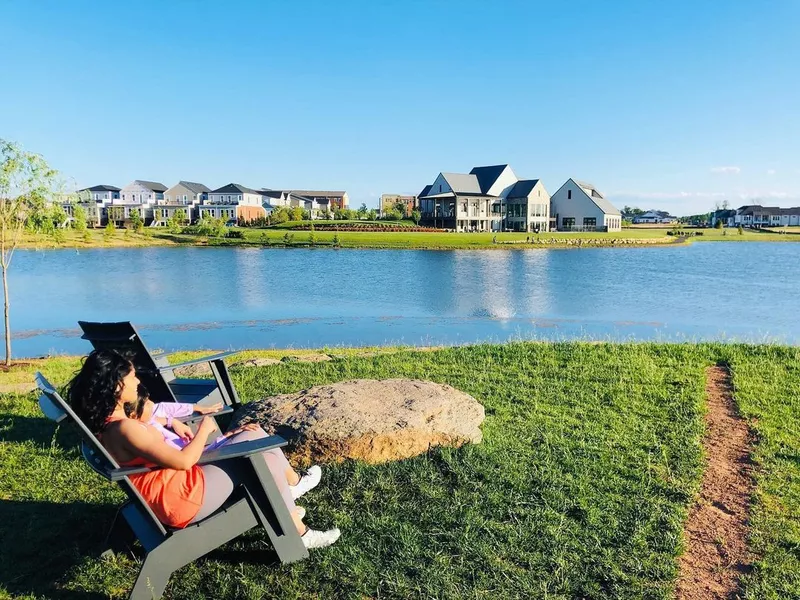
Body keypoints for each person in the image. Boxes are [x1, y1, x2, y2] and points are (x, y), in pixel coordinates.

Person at [66, 349, 340, 549]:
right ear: (116, 386)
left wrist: (175, 423)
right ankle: (299, 531)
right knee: (256, 445)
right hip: (184, 499)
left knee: (253, 438)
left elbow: (156, 432)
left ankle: (289, 495)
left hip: (176, 489)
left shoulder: (109, 424)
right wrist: (205, 429)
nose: (138, 383)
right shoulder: (125, 429)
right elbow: (184, 462)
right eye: (133, 377)